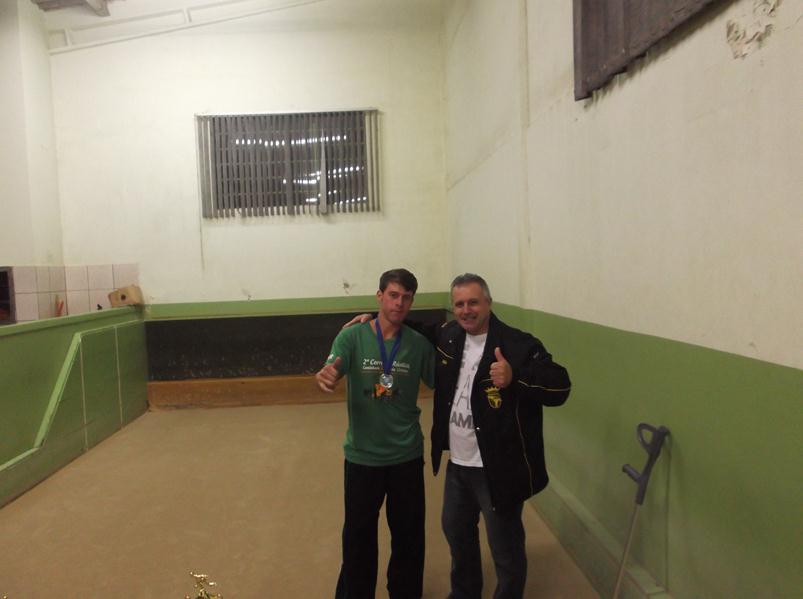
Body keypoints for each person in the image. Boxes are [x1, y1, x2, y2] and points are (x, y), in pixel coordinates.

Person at [432, 273, 571, 599]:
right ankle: (465, 593)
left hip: (498, 469)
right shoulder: (450, 335)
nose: (466, 310)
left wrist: (515, 377)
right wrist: (374, 320)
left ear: (489, 303)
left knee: (505, 549)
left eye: (473, 302)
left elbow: (561, 386)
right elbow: (420, 330)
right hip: (459, 465)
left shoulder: (518, 344)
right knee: (456, 534)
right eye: (459, 304)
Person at [315, 268, 435, 599]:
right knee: (358, 538)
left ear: (412, 302)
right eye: (393, 295)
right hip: (363, 457)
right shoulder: (351, 337)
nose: (399, 303)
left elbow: (443, 380)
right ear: (379, 296)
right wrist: (326, 376)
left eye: (406, 298)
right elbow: (332, 368)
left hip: (406, 456)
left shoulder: (419, 345)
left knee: (409, 537)